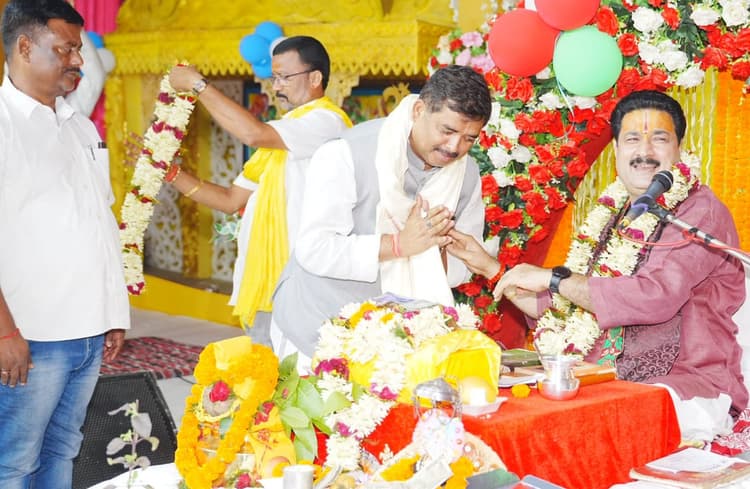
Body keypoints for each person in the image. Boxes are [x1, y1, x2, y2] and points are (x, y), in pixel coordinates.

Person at [448, 89, 747, 442]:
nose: (645, 152)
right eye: (632, 139)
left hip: (684, 386)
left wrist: (553, 278)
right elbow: (565, 309)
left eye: (659, 139)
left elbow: (655, 297)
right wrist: (488, 267)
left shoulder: (697, 213)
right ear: (617, 150)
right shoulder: (616, 213)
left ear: (679, 148)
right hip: (604, 380)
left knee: (569, 433)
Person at [271, 64, 492, 368]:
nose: (455, 148)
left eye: (469, 138)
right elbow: (314, 250)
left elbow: (458, 270)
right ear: (418, 111)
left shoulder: (466, 174)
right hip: (316, 323)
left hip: (398, 339)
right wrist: (400, 244)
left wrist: (438, 247)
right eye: (448, 131)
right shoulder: (347, 152)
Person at [0, 1, 130, 487]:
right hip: (30, 334)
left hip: (87, 329)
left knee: (62, 450)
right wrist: (5, 334)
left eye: (78, 49)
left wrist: (112, 311)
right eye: (66, 49)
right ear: (24, 47)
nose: (78, 60)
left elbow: (97, 220)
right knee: (13, 461)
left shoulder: (78, 125)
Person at [165, 36, 352, 345]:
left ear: (315, 78)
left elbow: (253, 133)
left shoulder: (326, 122)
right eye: (274, 78)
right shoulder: (278, 142)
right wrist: (171, 174)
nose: (276, 87)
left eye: (284, 77)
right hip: (267, 277)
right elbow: (230, 200)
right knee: (263, 366)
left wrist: (198, 85)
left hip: (303, 276)